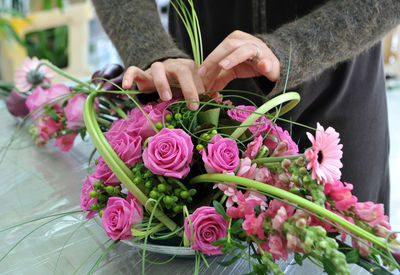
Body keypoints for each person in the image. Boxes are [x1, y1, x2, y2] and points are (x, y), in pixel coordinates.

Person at [92, 0, 400, 213]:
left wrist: (297, 48)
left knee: (340, 248)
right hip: (198, 80)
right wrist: (150, 50)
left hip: (339, 78)